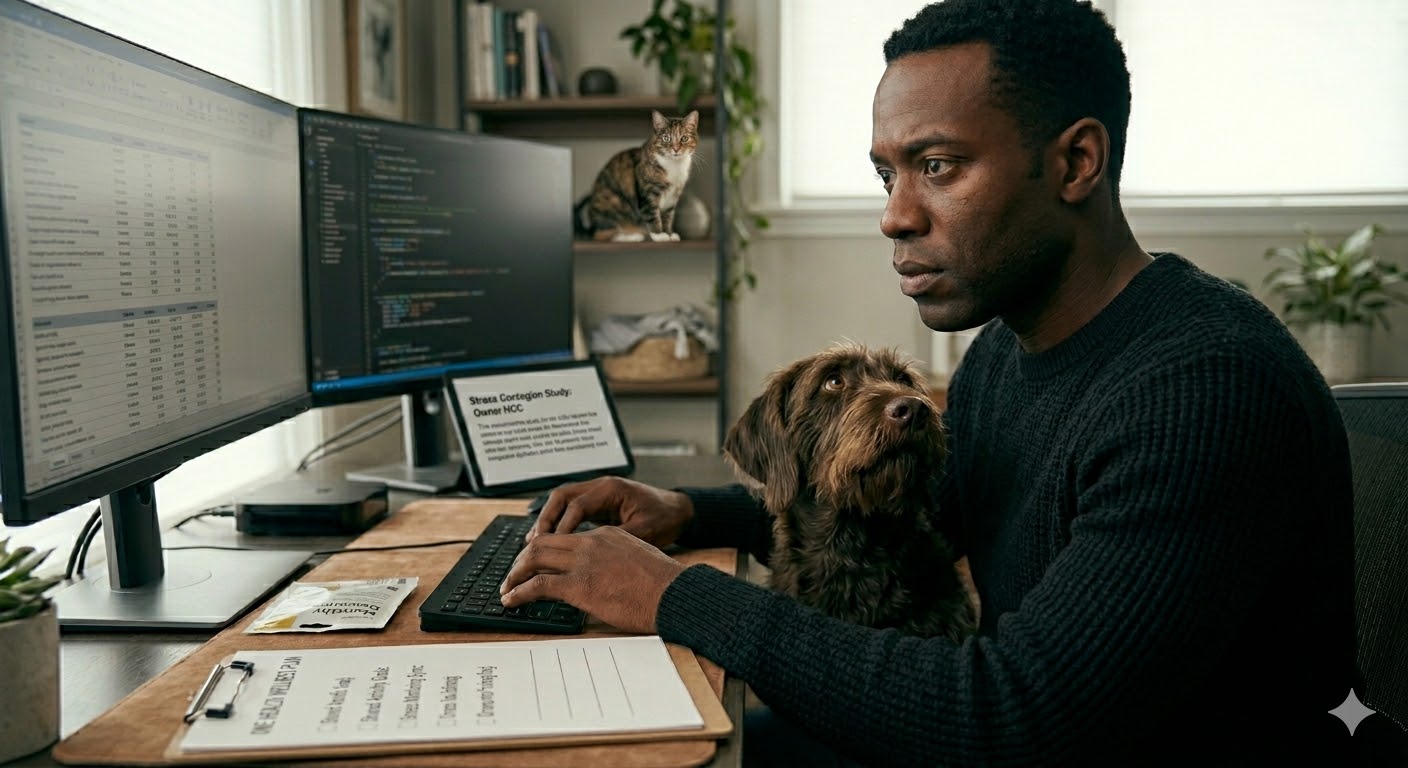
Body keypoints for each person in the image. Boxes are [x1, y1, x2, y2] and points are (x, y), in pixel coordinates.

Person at [500, 0, 1356, 764]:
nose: (895, 214)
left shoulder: (1202, 389)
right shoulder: (1005, 354)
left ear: (1075, 163)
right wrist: (688, 512)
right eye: (887, 172)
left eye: (938, 166)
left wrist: (679, 595)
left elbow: (1015, 714)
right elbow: (916, 514)